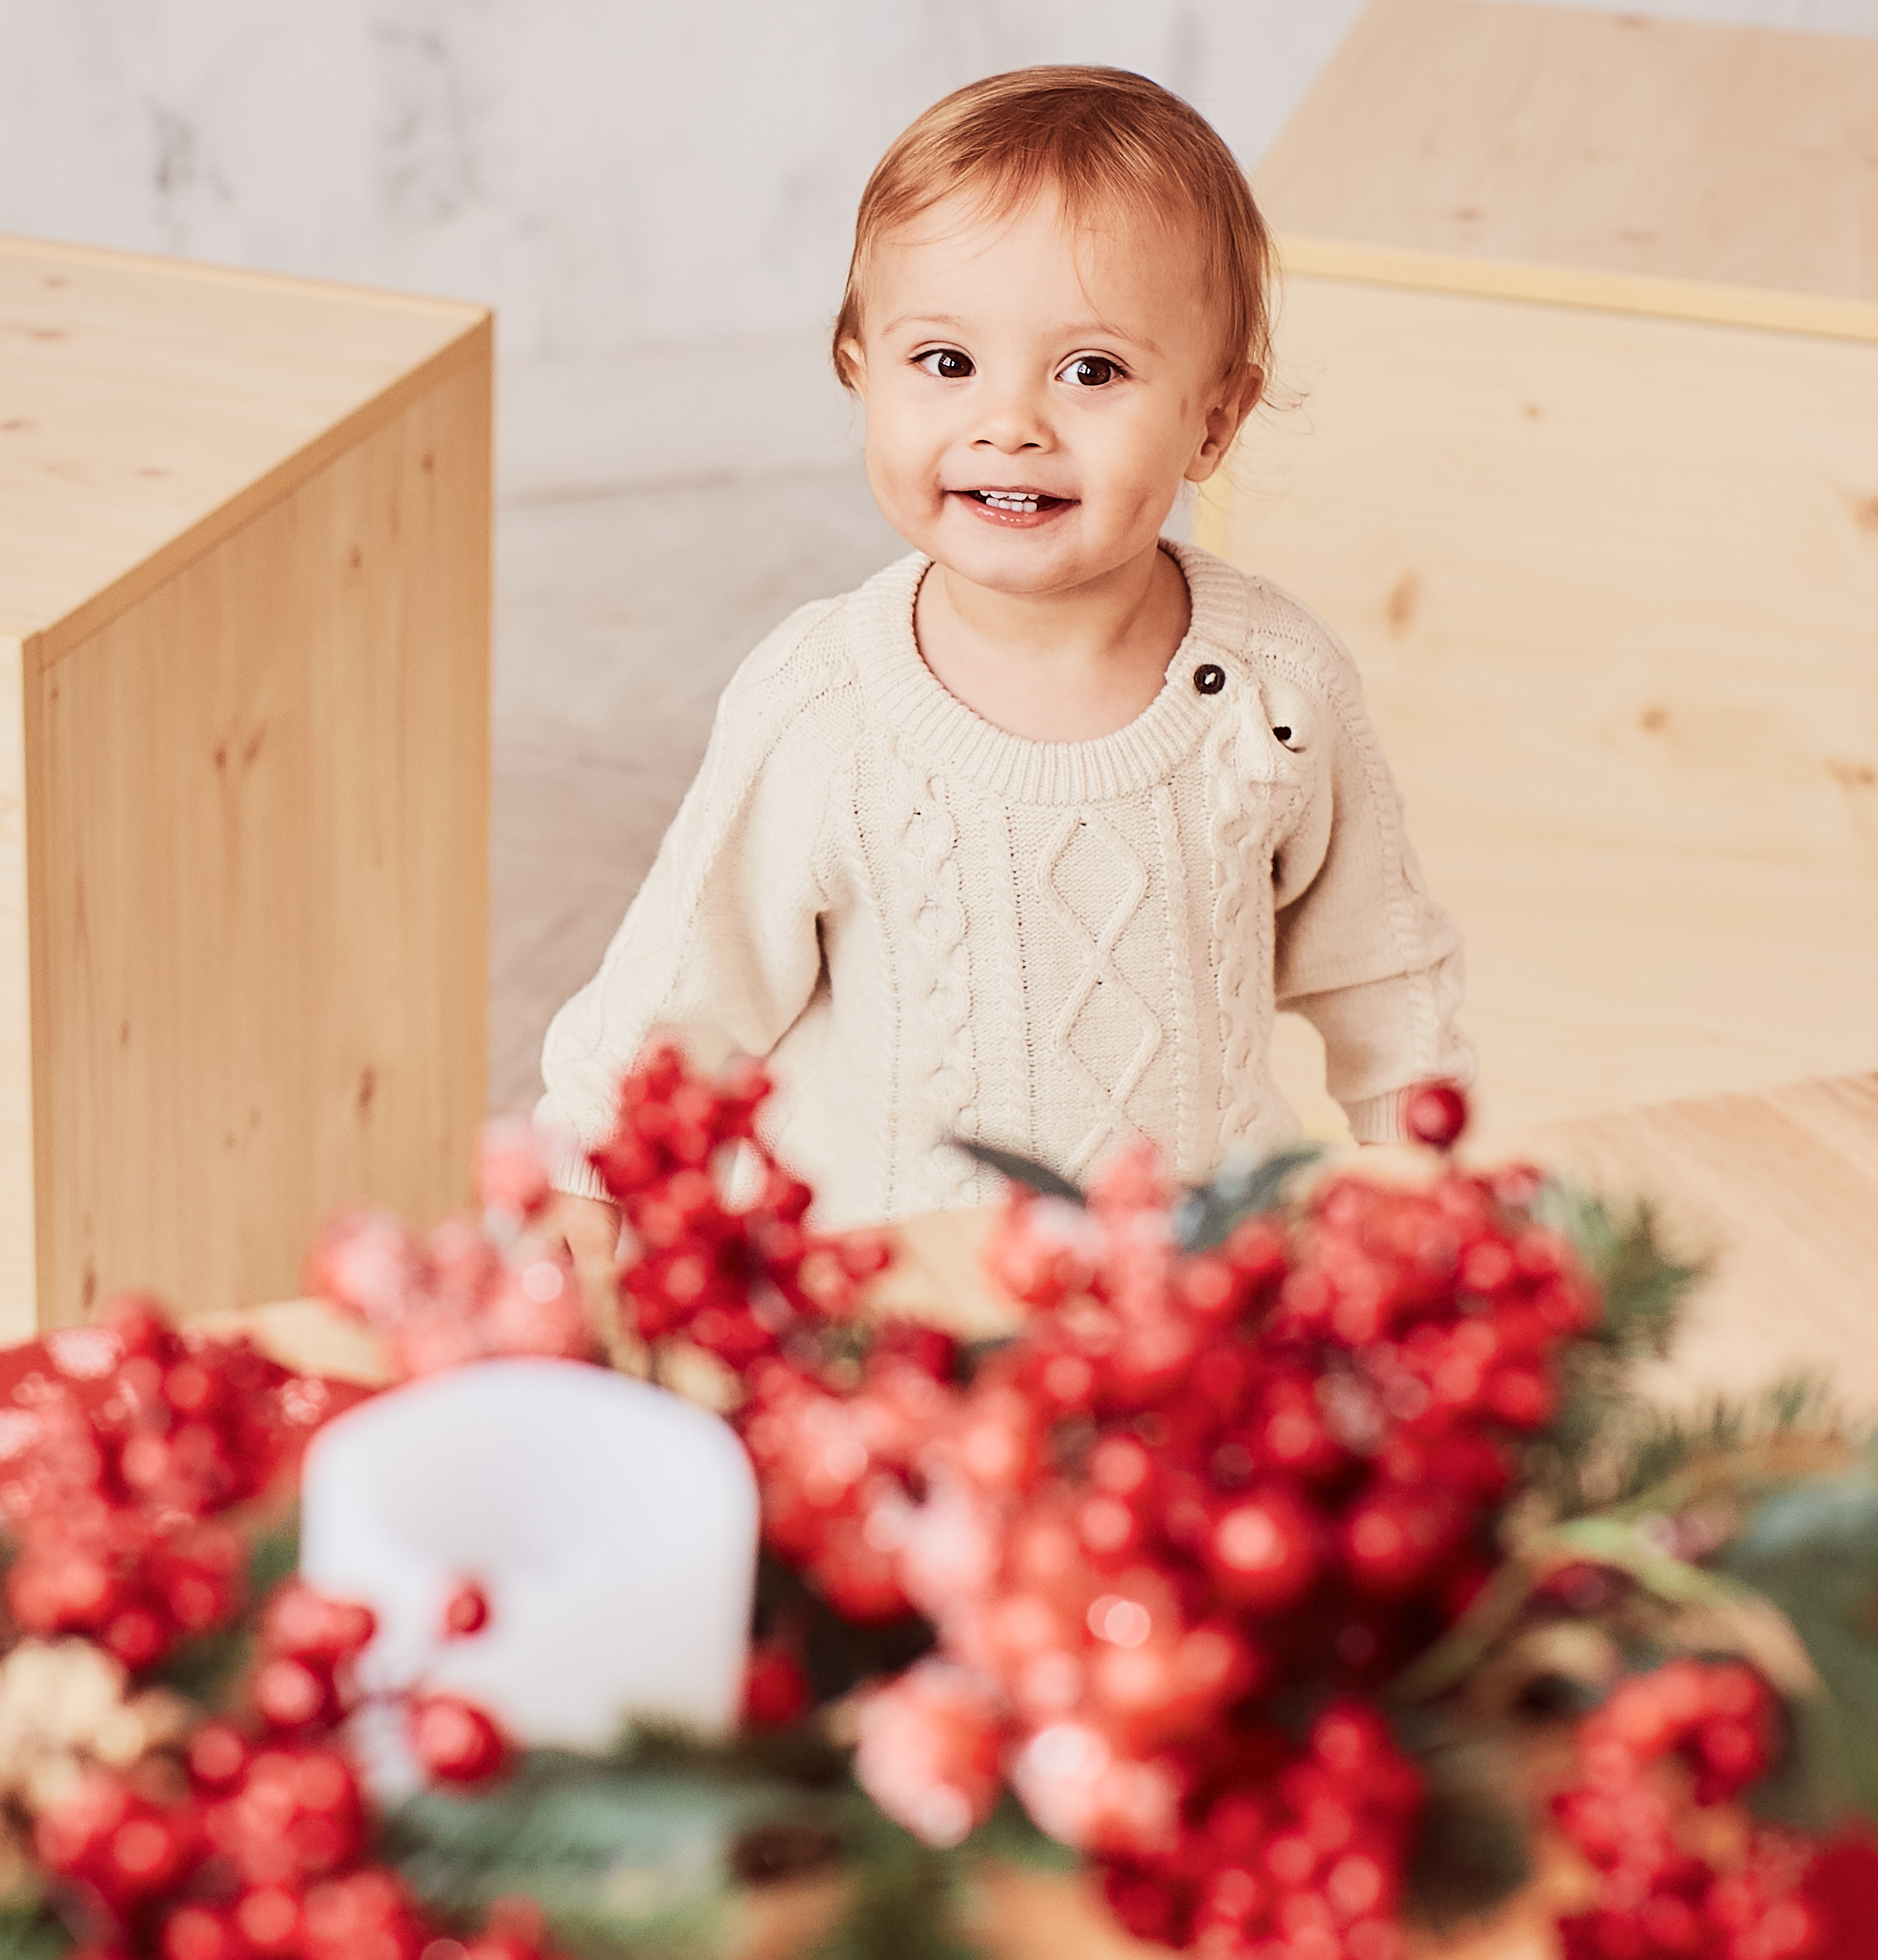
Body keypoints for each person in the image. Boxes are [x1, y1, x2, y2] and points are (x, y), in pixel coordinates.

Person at [536, 64, 1470, 1267]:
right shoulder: (826, 701)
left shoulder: (1278, 689)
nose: (1010, 423)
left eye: (1092, 371)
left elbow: (1384, 972)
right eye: (946, 363)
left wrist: (1433, 1190)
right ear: (858, 368)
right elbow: (681, 986)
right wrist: (585, 1175)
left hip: (1198, 1288)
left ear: (1215, 420)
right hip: (892, 1294)